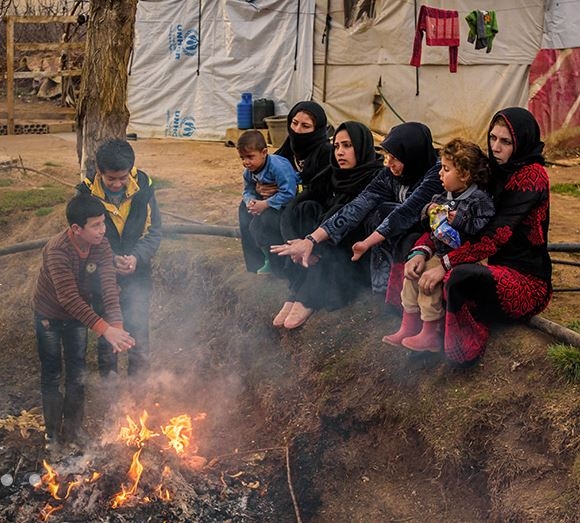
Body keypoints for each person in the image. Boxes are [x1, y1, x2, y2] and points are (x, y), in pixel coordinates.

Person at [405, 107, 552, 366]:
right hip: (486, 261)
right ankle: (421, 330)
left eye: (505, 142)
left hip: (523, 279)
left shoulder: (531, 177)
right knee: (414, 251)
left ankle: (462, 352)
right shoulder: (494, 170)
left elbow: (496, 235)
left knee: (459, 277)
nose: (495, 147)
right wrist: (422, 250)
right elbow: (454, 216)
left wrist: (445, 263)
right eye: (493, 138)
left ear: (521, 142)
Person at [275, 122, 443, 302]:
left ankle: (405, 303)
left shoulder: (436, 174)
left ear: (412, 154)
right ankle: (385, 293)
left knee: (385, 214)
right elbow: (358, 205)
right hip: (393, 229)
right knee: (369, 212)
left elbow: (406, 211)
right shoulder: (389, 174)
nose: (389, 163)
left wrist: (367, 242)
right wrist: (311, 240)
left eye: (395, 157)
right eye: (387, 156)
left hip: (432, 235)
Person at [33, 194, 135, 450]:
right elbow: (68, 298)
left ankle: (74, 430)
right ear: (77, 228)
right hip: (50, 317)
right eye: (96, 225)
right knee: (53, 373)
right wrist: (103, 329)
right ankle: (53, 435)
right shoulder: (57, 250)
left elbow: (109, 286)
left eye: (103, 223)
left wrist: (117, 327)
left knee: (77, 373)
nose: (103, 230)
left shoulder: (101, 245)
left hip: (77, 318)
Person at [383, 138, 495, 351]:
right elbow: (430, 229)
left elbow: (482, 229)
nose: (440, 174)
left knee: (429, 282)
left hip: (465, 256)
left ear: (464, 175)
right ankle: (409, 325)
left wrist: (459, 220)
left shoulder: (479, 201)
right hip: (441, 252)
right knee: (413, 275)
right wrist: (429, 211)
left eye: (446, 169)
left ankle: (430, 332)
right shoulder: (445, 196)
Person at [270, 121, 384, 328]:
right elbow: (294, 205)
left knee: (334, 214)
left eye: (347, 146)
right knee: (307, 208)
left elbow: (348, 221)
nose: (340, 152)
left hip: (354, 255)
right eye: (337, 146)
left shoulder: (375, 179)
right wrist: (295, 241)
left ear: (362, 146)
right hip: (319, 248)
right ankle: (299, 287)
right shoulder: (332, 174)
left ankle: (309, 294)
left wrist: (311, 244)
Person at [77, 138, 162, 378]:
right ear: (99, 171)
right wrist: (111, 259)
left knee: (139, 331)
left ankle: (139, 391)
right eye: (110, 179)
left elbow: (155, 230)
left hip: (138, 271)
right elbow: (83, 238)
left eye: (122, 178)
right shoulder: (85, 192)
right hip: (102, 275)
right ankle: (111, 394)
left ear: (131, 170)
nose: (117, 184)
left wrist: (137, 257)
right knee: (108, 332)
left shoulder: (144, 184)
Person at [237, 130, 299, 274]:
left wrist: (265, 204)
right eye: (242, 158)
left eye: (250, 157)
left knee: (266, 223)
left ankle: (282, 264)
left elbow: (289, 192)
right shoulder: (249, 171)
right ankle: (267, 260)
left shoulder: (278, 167)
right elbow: (247, 190)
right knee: (254, 228)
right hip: (269, 202)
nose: (246, 162)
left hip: (289, 204)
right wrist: (250, 202)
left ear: (264, 152)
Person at [275, 100, 333, 190]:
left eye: (305, 126)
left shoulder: (327, 155)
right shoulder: (286, 150)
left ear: (317, 130)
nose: (297, 130)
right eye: (294, 123)